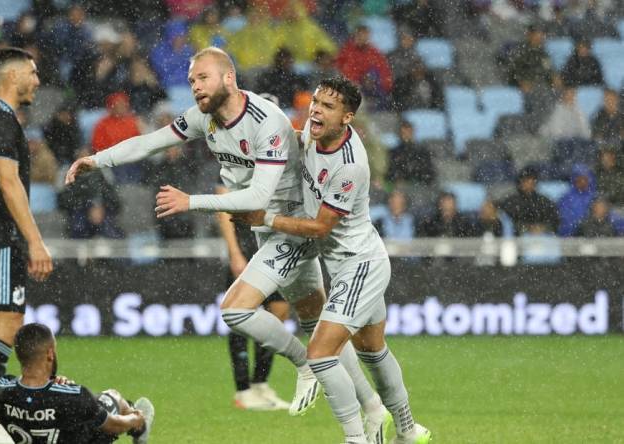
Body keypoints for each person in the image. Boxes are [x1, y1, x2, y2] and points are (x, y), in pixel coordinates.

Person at [66, 47, 372, 418]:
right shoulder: (202, 118)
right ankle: (372, 406)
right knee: (314, 318)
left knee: (235, 310)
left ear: (229, 78)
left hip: (291, 224)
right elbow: (150, 142)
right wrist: (97, 160)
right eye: (192, 80)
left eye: (203, 77)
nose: (195, 86)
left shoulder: (266, 121)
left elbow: (259, 196)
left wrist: (190, 201)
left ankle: (305, 362)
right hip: (265, 227)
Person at [232, 77, 429, 444]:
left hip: (360, 266)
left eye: (328, 106)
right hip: (348, 263)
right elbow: (294, 142)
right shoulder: (313, 130)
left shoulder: (350, 165)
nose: (316, 110)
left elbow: (321, 227)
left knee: (320, 353)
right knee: (372, 349)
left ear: (348, 117)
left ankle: (359, 438)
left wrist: (266, 219)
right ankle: (406, 429)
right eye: (316, 102)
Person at [0, 47, 53, 444]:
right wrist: (35, 241)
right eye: (32, 73)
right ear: (13, 75)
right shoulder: (1, 122)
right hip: (1, 237)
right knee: (8, 324)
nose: (37, 80)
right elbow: (8, 183)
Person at [0, 323, 154, 444]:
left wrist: (51, 385)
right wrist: (135, 419)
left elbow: (31, 398)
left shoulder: (0, 389)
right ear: (50, 353)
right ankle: (139, 429)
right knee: (112, 397)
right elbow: (113, 426)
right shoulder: (76, 396)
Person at [216, 183, 290, 410]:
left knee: (278, 314)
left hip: (274, 247)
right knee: (240, 316)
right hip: (246, 247)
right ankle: (243, 390)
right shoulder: (236, 159)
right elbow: (222, 203)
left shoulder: (277, 160)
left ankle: (260, 383)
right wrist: (235, 252)